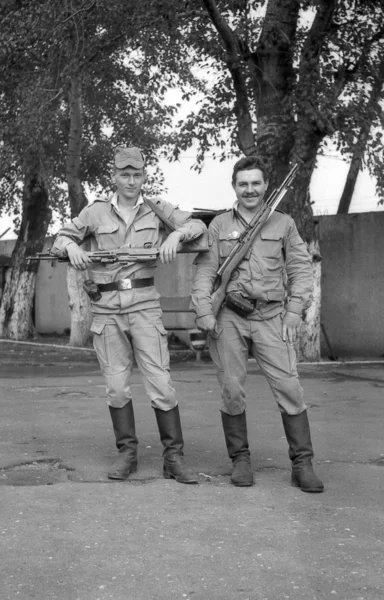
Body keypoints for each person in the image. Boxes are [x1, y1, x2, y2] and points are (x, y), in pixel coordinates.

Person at [51, 146, 207, 484]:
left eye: (137, 174)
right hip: (106, 310)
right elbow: (60, 238)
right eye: (125, 174)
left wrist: (177, 234)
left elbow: (197, 225)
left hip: (145, 307)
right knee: (117, 387)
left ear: (144, 176)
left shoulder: (157, 210)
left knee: (161, 384)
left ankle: (173, 458)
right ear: (114, 176)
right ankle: (127, 454)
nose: (131, 180)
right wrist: (73, 246)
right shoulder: (94, 213)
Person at [191, 156, 324, 493]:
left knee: (289, 388)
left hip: (271, 318)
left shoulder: (283, 223)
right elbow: (206, 272)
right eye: (242, 183)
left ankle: (302, 464)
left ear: (266, 186)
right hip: (229, 318)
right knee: (232, 389)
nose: (249, 189)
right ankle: (241, 461)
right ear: (234, 187)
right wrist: (205, 311)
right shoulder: (219, 225)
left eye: (256, 183)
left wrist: (294, 312)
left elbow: (300, 269)